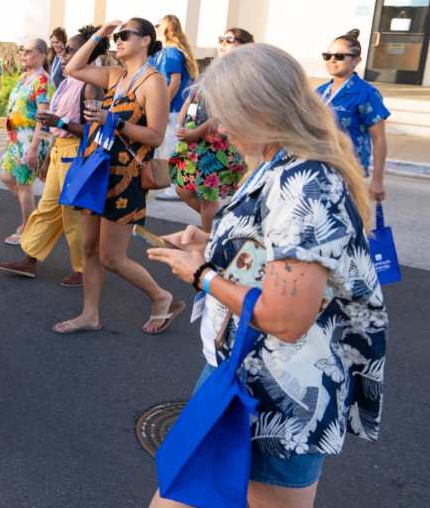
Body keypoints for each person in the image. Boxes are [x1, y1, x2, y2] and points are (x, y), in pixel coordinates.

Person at [146, 44, 387, 508]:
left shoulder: (306, 181)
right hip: (246, 372)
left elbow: (285, 316)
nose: (219, 127)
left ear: (258, 110)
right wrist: (212, 249)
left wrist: (201, 275)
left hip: (281, 389)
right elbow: (272, 260)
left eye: (226, 114)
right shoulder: (281, 164)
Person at [55, 19, 183, 335]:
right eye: (116, 37)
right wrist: (99, 34)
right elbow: (71, 68)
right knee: (88, 248)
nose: (118, 41)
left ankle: (162, 296)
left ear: (146, 40)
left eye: (125, 35)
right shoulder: (117, 75)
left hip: (126, 178)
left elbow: (155, 136)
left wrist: (115, 121)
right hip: (98, 171)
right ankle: (90, 314)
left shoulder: (153, 82)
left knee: (111, 256)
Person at [0, 27, 110, 287]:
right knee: (47, 208)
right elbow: (54, 123)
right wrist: (48, 152)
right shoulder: (68, 81)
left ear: (86, 53)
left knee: (71, 214)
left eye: (69, 49)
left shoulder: (92, 86)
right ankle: (30, 258)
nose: (62, 51)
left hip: (75, 152)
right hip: (60, 149)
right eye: (63, 48)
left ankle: (82, 269)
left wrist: (59, 123)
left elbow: (95, 131)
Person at [168, 30, 248, 231]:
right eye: (221, 39)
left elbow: (223, 112)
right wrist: (180, 124)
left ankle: (208, 239)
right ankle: (219, 225)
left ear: (245, 46)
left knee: (207, 197)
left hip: (214, 143)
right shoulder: (213, 68)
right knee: (182, 189)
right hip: (193, 141)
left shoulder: (241, 73)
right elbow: (190, 97)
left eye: (229, 40)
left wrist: (196, 133)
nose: (223, 43)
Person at [315, 29, 390, 202]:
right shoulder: (320, 92)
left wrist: (377, 181)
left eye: (340, 56)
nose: (332, 60)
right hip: (317, 167)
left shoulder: (366, 93)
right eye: (328, 55)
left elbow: (379, 139)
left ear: (356, 60)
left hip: (348, 171)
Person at [0, 37, 51, 246]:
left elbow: (43, 115)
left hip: (30, 139)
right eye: (22, 50)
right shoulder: (24, 77)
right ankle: (33, 218)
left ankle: (28, 227)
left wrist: (34, 147)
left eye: (28, 51)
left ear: (41, 55)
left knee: (24, 183)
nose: (23, 54)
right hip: (16, 140)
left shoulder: (42, 80)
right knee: (6, 176)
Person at [151, 15, 199, 200]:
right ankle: (176, 185)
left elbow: (175, 81)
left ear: (165, 29)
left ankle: (174, 187)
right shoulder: (175, 50)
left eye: (157, 25)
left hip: (174, 108)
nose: (155, 29)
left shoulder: (171, 52)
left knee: (171, 146)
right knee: (173, 145)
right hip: (178, 107)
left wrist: (162, 105)